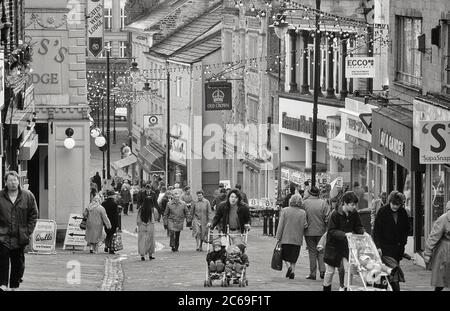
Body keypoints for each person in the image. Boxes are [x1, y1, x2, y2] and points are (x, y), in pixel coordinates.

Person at [0, 171, 38, 291]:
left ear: (18, 181)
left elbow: (33, 214)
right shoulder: (0, 196)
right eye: (10, 180)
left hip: (20, 236)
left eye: (15, 180)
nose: (13, 183)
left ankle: (14, 285)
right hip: (3, 236)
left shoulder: (28, 195)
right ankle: (3, 284)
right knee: (2, 261)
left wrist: (28, 231)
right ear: (6, 182)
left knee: (18, 263)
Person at [323, 191, 365, 291]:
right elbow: (331, 231)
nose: (354, 207)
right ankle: (326, 288)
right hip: (333, 246)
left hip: (347, 246)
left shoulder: (354, 213)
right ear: (345, 203)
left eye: (355, 205)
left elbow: (358, 226)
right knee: (330, 271)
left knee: (348, 270)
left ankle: (346, 288)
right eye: (352, 205)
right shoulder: (335, 214)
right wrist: (344, 234)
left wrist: (363, 232)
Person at [373, 190, 410, 291]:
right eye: (393, 204)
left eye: (398, 205)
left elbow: (406, 229)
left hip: (397, 249)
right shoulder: (382, 211)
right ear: (390, 201)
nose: (395, 207)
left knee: (389, 273)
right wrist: (378, 246)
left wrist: (403, 244)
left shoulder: (402, 212)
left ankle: (385, 288)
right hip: (385, 248)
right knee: (393, 272)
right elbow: (376, 230)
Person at [276, 194, 308, 280]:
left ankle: (289, 267)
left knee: (284, 255)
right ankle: (293, 271)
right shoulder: (303, 212)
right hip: (297, 238)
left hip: (285, 237)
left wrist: (278, 237)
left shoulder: (285, 210)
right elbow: (305, 225)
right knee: (294, 256)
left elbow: (281, 225)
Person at [303, 186, 330, 280]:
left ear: (310, 193)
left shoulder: (305, 203)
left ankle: (313, 273)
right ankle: (322, 271)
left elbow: (303, 216)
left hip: (309, 232)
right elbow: (327, 218)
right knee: (321, 251)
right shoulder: (323, 203)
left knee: (312, 252)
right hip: (321, 231)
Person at [424, 201, 450, 291]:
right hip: (445, 252)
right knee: (441, 279)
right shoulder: (443, 219)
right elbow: (434, 236)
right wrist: (427, 253)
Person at [84, 189, 111, 254]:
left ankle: (90, 248)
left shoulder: (89, 207)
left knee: (90, 236)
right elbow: (105, 217)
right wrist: (108, 225)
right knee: (97, 237)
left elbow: (84, 214)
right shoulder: (100, 208)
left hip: (89, 223)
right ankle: (95, 250)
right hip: (98, 225)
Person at [137, 193, 159, 261]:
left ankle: (142, 255)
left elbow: (138, 219)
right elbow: (156, 218)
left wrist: (138, 225)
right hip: (150, 225)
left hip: (142, 226)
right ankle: (150, 254)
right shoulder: (153, 209)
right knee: (150, 240)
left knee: (142, 240)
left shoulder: (141, 209)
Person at [102, 190, 120, 254]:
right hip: (113, 221)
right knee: (112, 234)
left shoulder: (103, 203)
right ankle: (111, 249)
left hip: (106, 221)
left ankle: (106, 246)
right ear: (112, 196)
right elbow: (116, 215)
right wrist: (118, 225)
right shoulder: (114, 204)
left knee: (107, 234)